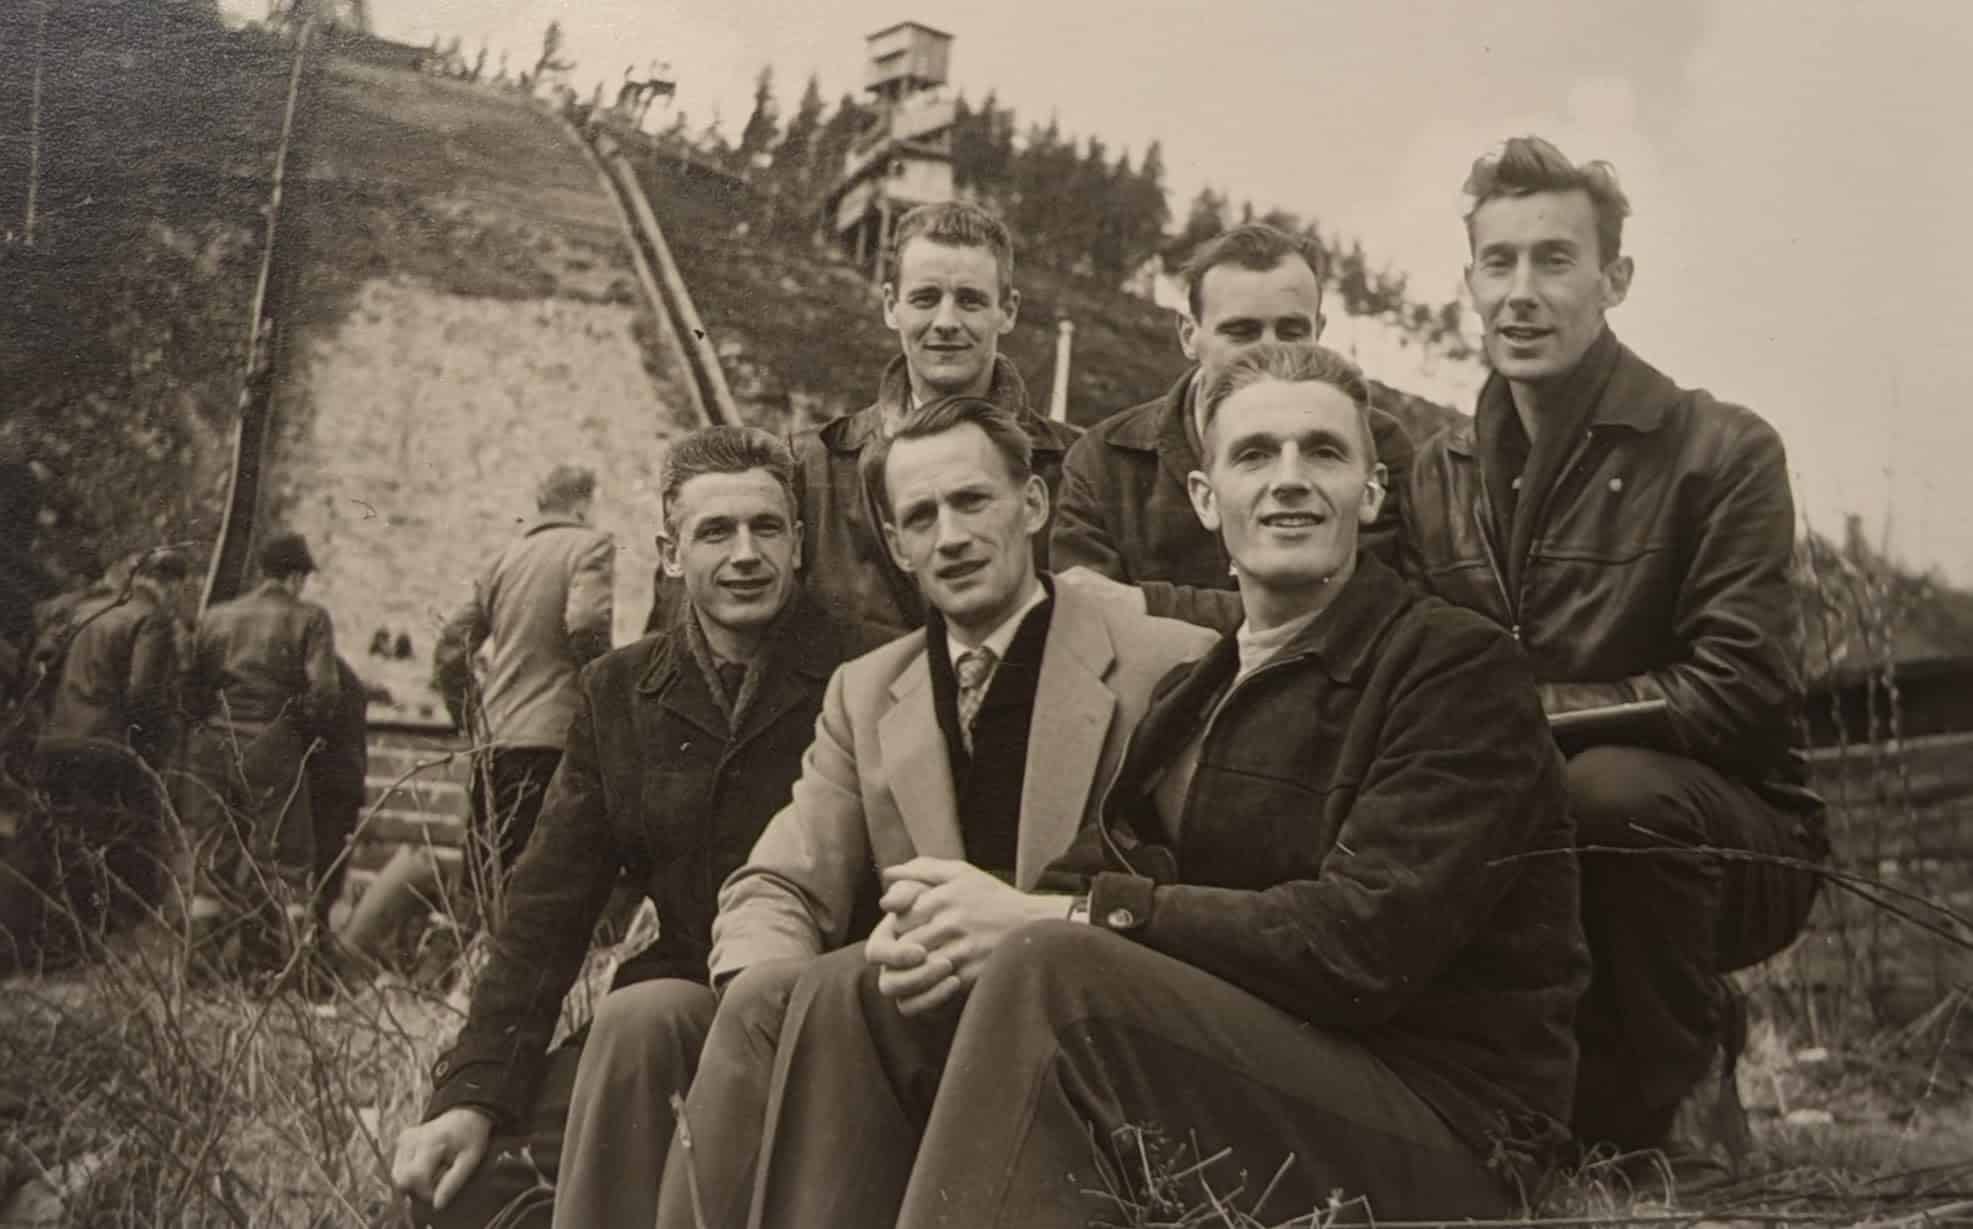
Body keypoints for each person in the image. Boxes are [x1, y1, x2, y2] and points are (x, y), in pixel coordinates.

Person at [741, 342, 1587, 1227]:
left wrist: (1062, 916)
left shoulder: (1451, 666)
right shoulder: (1198, 688)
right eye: (1253, 454)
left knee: (1047, 965)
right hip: (1266, 1068)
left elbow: (1358, 947)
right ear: (1205, 498)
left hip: (1444, 1121)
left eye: (1323, 452)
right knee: (865, 989)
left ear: (1368, 493)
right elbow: (1089, 869)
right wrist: (943, 930)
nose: (1288, 480)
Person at [634, 396, 1213, 1229]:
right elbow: (778, 881)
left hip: (1085, 1033)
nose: (950, 537)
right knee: (777, 995)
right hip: (920, 1035)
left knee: (840, 994)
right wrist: (775, 999)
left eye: (971, 501)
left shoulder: (1161, 663)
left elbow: (1205, 889)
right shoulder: (868, 690)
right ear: (897, 545)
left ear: (1033, 504)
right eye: (920, 517)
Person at [1400, 136, 1827, 1178]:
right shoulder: (1434, 469)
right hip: (1525, 810)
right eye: (1497, 262)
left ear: (1614, 279)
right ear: (1468, 284)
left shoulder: (1720, 449)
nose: (1520, 292)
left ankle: (1678, 1104)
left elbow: (1737, 687)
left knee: (1606, 793)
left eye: (1553, 259)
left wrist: (1515, 720)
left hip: (1727, 836)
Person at [388, 427, 872, 1229]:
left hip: (827, 1018)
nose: (744, 554)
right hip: (671, 1013)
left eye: (766, 527)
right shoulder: (619, 692)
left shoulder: (869, 668)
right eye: (714, 532)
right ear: (670, 554)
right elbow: (544, 913)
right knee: (456, 1193)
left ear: (797, 544)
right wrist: (471, 1094)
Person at [645, 201, 1082, 643]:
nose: (946, 322)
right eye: (925, 299)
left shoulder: (1080, 468)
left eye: (970, 301)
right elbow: (695, 639)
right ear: (891, 306)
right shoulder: (810, 468)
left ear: (1008, 310)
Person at [1050, 222, 1459, 632]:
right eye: (1241, 332)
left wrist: (1146, 603)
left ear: (1318, 332)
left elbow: (1360, 612)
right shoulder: (1105, 459)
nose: (1269, 351)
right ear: (1189, 335)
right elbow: (1085, 621)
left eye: (1291, 331)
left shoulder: (1376, 444)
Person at [433, 464, 614, 906]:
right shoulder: (590, 546)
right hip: (555, 742)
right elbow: (586, 624)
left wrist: (470, 719)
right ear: (583, 504)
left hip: (496, 742)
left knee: (485, 880)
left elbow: (451, 645)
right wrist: (609, 697)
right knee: (543, 887)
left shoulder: (504, 559)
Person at [4, 546, 190, 970]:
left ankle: (24, 947)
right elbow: (143, 697)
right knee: (111, 849)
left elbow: (38, 675)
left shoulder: (81, 612)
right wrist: (153, 746)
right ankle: (82, 951)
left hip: (55, 744)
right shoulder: (150, 619)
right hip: (106, 751)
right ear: (169, 584)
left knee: (46, 846)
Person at [181, 531, 341, 985]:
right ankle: (297, 973)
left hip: (214, 745)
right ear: (295, 577)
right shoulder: (310, 618)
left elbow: (192, 687)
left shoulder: (216, 616)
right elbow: (325, 692)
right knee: (288, 861)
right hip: (274, 744)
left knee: (213, 856)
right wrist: (298, 731)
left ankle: (201, 974)